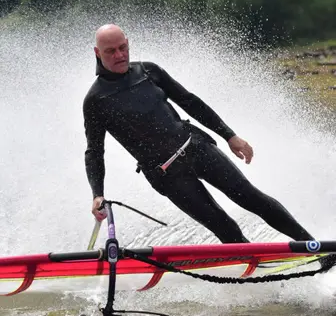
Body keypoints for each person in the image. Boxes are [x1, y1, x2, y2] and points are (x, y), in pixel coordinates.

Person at [83, 23, 315, 244]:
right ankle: (259, 273)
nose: (119, 55)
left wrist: (229, 136)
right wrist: (97, 194)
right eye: (110, 51)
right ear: (97, 52)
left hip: (196, 147)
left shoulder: (148, 71)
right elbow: (94, 151)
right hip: (167, 175)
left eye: (123, 48)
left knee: (250, 197)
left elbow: (190, 102)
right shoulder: (95, 100)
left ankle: (314, 247)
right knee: (222, 224)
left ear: (128, 43)